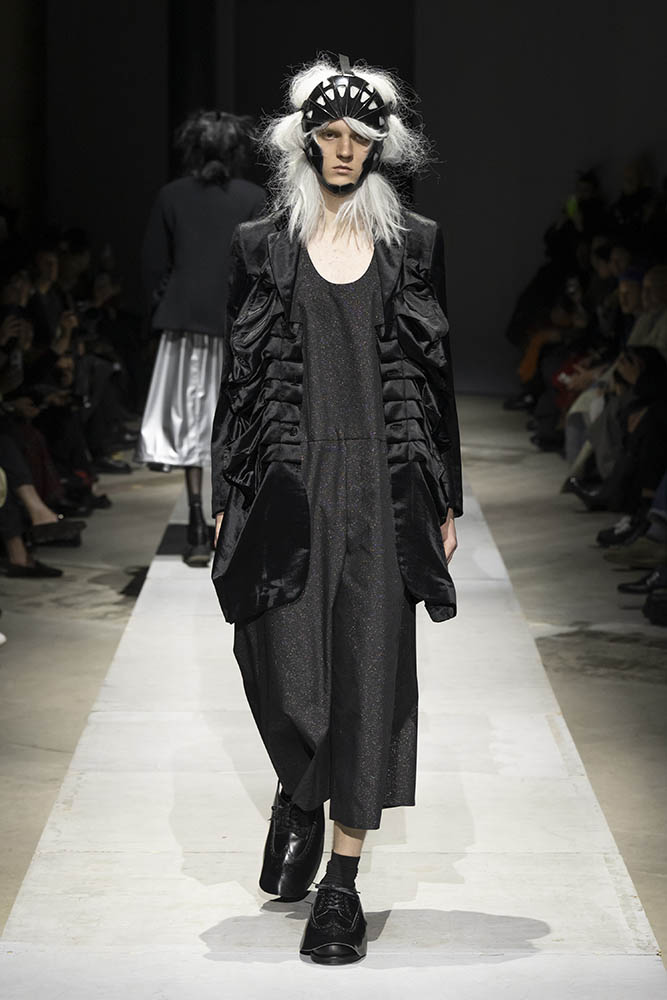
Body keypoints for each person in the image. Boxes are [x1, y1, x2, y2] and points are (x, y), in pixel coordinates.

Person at [210, 54, 463, 964]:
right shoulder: (260, 243)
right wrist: (225, 492)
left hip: (383, 490)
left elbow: (434, 380)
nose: (345, 150)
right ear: (305, 140)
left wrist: (446, 498)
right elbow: (239, 379)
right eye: (329, 134)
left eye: (359, 137)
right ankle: (299, 789)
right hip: (288, 480)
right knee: (277, 665)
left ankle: (342, 886)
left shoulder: (415, 244)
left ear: (380, 145)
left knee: (368, 677)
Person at [136, 110, 266, 565]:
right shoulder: (252, 197)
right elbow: (261, 265)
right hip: (235, 327)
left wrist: (168, 305)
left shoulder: (171, 195)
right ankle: (225, 522)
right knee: (233, 422)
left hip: (186, 325)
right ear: (237, 151)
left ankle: (196, 521)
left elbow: (153, 264)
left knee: (192, 423)